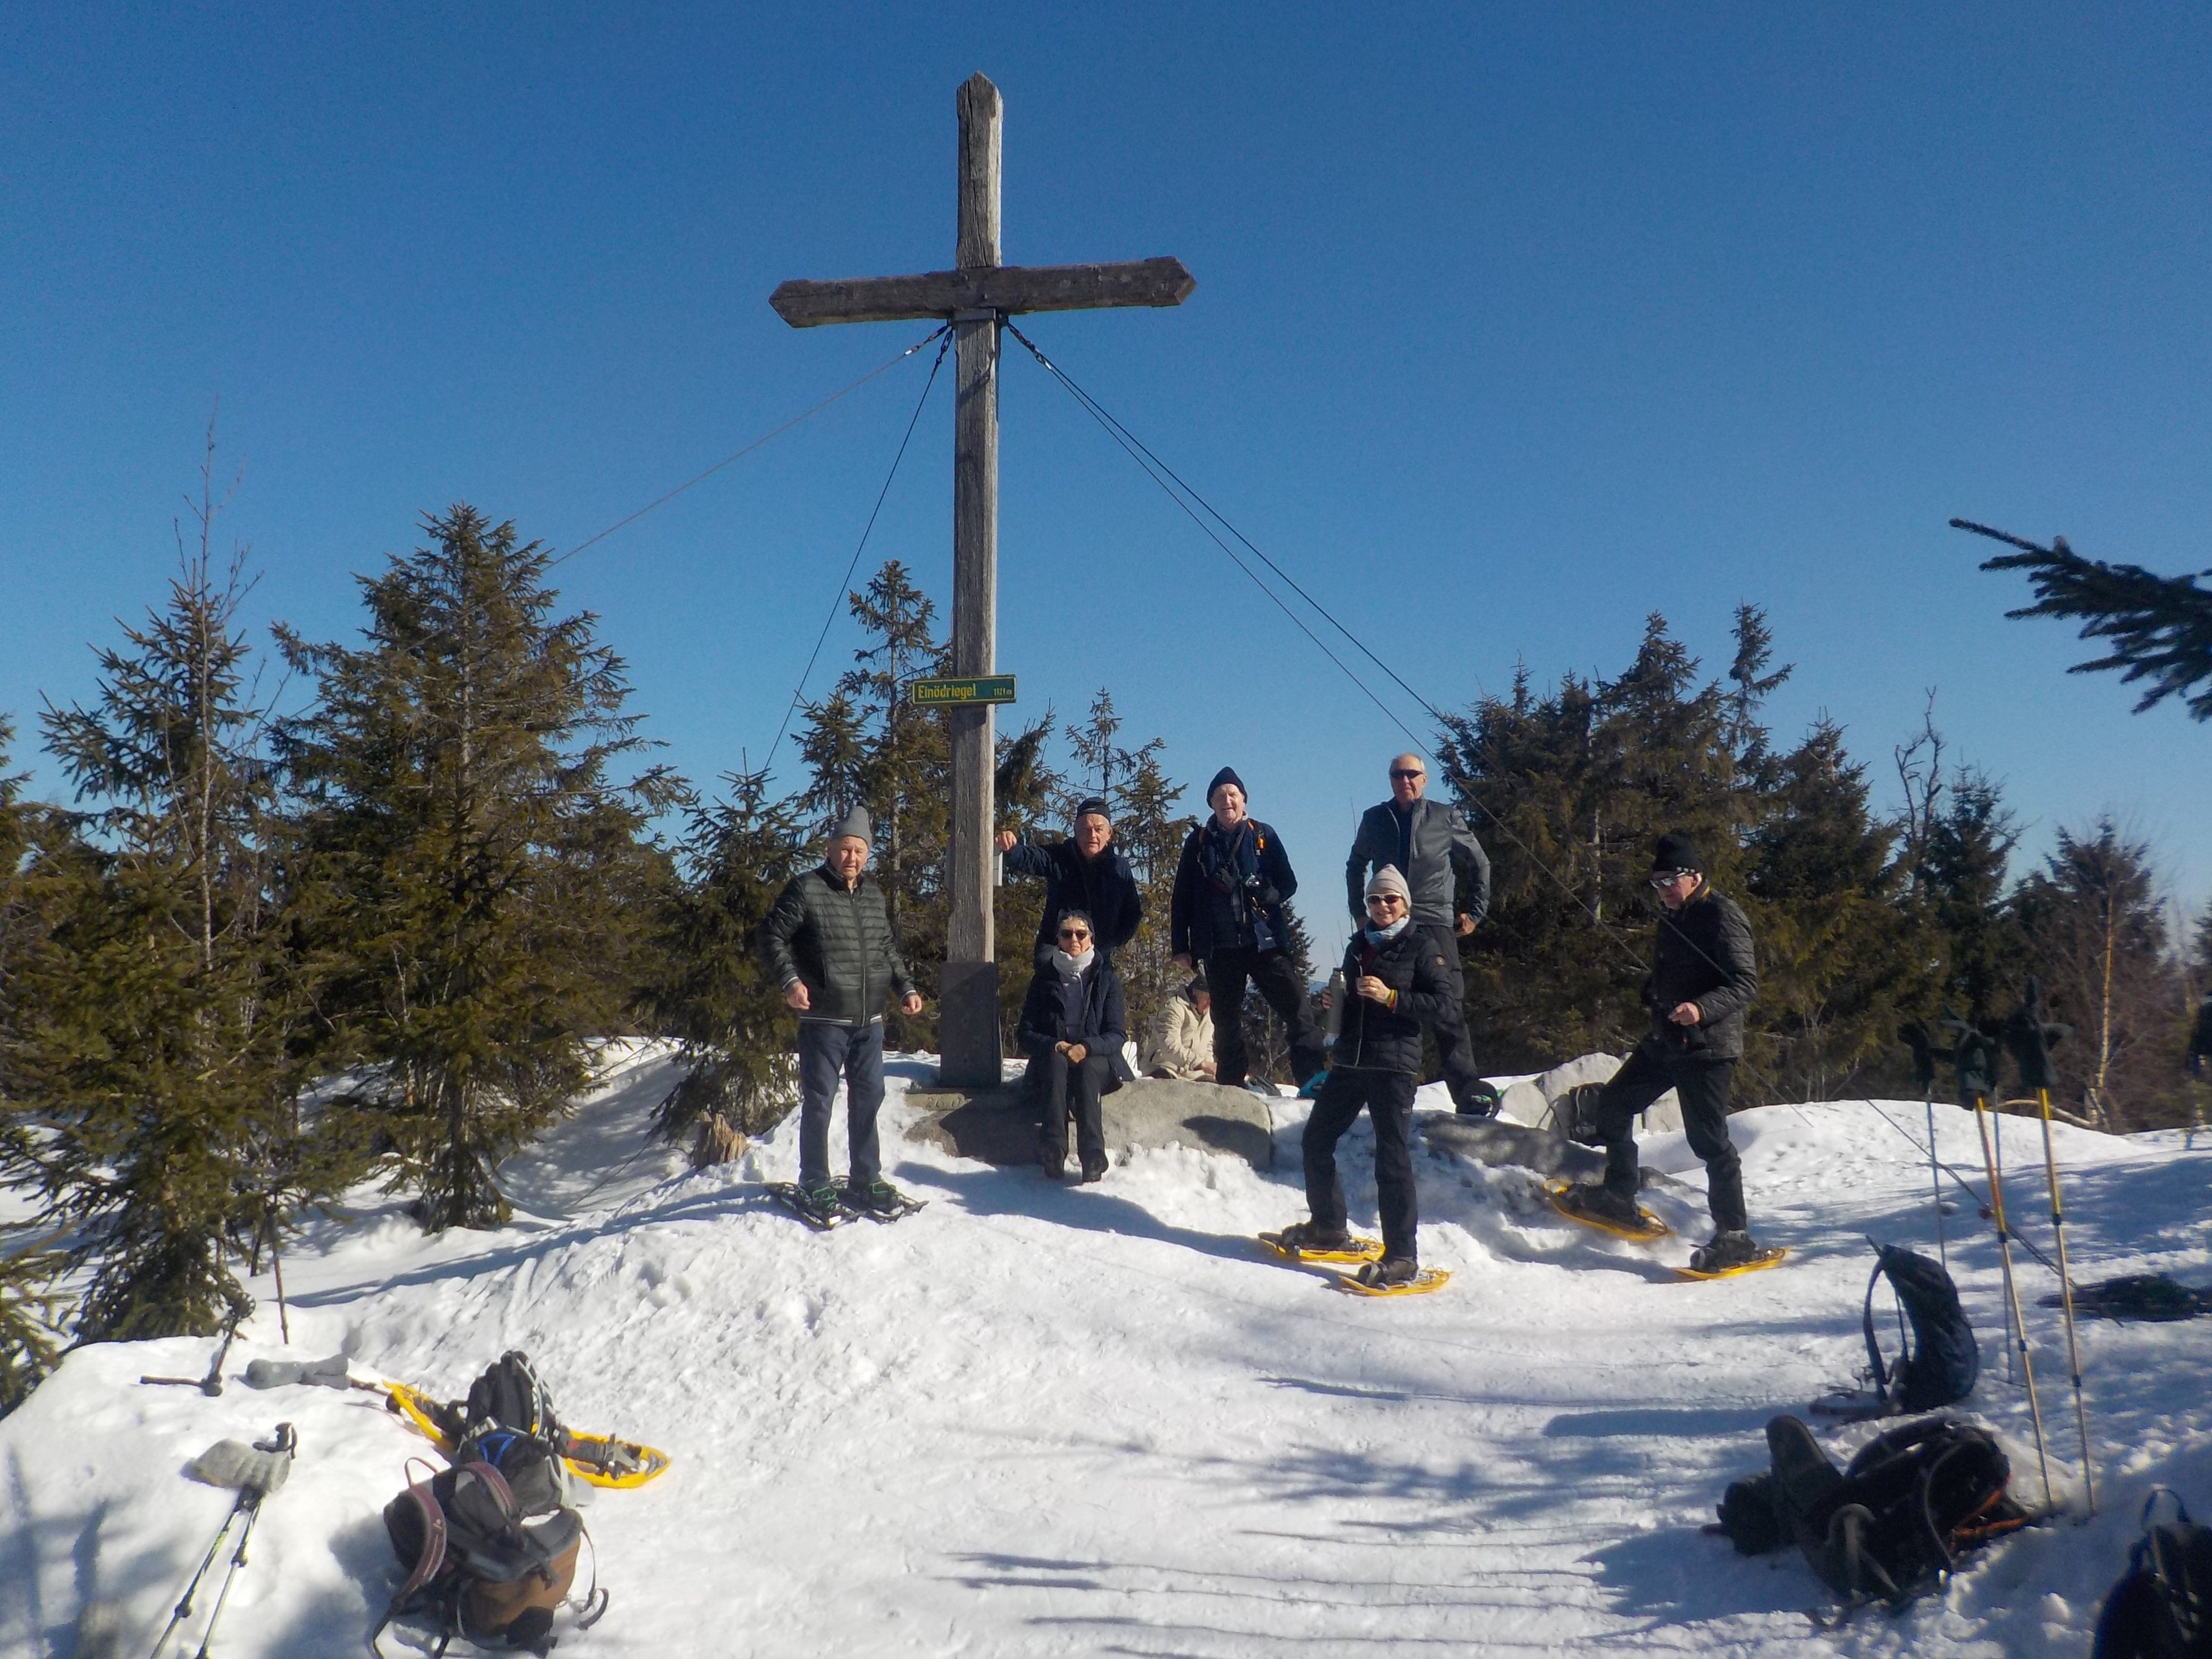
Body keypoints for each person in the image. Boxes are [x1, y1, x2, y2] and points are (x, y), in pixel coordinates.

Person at [1557, 832, 1763, 1272]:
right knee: (1614, 1104)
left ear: (1696, 876)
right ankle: (1618, 1196)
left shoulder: (1722, 915)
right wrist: (1653, 991)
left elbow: (1745, 983)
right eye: (1658, 882)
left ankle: (1735, 1237)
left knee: (1709, 1142)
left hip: (1708, 1048)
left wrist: (1700, 1009)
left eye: (1672, 880)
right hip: (1667, 1040)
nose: (1665, 889)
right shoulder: (1673, 915)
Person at [1272, 867, 1452, 1287]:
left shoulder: (1422, 945)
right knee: (1316, 1139)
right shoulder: (1360, 945)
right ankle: (1328, 1227)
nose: (1382, 906)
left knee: (1391, 1160)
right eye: (1375, 899)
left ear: (1405, 904)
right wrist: (1333, 1000)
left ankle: (1402, 1256)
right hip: (1351, 1062)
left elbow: (1446, 1006)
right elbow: (1353, 1001)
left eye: (1391, 899)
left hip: (1394, 1065)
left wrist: (1392, 998)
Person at [760, 806, 926, 1224]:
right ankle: (814, 1182)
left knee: (869, 1099)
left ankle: (865, 1178)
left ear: (868, 854)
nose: (852, 857)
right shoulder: (807, 888)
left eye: (859, 850)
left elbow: (886, 948)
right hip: (824, 1021)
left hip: (869, 1022)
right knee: (820, 1102)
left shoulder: (873, 895)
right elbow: (771, 935)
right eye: (845, 849)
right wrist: (790, 982)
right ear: (830, 848)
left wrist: (905, 988)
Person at [1343, 752, 1495, 1115]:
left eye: (1412, 774)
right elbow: (1355, 865)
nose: (1405, 780)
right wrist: (1360, 913)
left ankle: (1468, 1094)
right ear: (1390, 779)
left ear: (1425, 779)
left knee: (1448, 1009)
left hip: (1432, 921)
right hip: (1388, 923)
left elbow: (1480, 863)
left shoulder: (1445, 817)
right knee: (1374, 1004)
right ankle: (1368, 1090)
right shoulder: (1375, 818)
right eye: (1398, 774)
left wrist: (1475, 913)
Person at [1169, 767, 1325, 1093]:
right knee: (1226, 1022)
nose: (1227, 801)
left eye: (1233, 795)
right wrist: (1180, 946)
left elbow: (1289, 883)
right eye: (1220, 796)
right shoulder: (1198, 842)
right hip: (1220, 945)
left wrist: (1269, 893)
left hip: (1264, 942)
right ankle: (1231, 1086)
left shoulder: (1263, 835)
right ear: (1211, 803)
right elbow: (1182, 895)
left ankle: (1312, 1079)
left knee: (1297, 1010)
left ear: (1244, 800)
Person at [1017, 910, 1134, 1182]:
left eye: (1081, 934)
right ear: (1058, 939)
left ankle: (1093, 1155)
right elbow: (1025, 1034)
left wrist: (1087, 1047)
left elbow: (1117, 1034)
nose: (1074, 940)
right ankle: (1053, 1150)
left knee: (1088, 1068)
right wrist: (1054, 1044)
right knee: (1055, 1062)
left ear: (1091, 939)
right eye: (1067, 934)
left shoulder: (1106, 977)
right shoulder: (1044, 978)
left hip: (1097, 1058)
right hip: (1055, 1055)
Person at [994, 797, 1143, 968]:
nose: (1092, 836)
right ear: (1076, 831)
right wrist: (1011, 849)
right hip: (1055, 947)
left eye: (1098, 829)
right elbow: (1030, 858)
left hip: (1099, 952)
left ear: (1109, 834)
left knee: (1106, 981)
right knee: (1046, 973)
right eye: (1086, 830)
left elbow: (1132, 912)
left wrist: (1111, 941)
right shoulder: (1059, 857)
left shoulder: (1119, 869)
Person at [1144, 971, 1216, 1080]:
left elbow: (1208, 1046)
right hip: (1165, 1067)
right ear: (1195, 993)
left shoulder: (1209, 1014)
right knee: (1167, 1084)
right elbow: (1169, 1046)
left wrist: (1211, 1067)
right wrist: (1202, 1064)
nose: (1210, 1004)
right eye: (1207, 999)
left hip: (1195, 1074)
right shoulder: (1174, 1007)